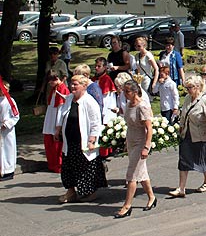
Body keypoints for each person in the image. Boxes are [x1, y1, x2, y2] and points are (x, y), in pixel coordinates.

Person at [55, 75, 107, 203]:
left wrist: (92, 139)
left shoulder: (89, 101)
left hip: (83, 141)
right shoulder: (69, 99)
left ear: (84, 86)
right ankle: (71, 191)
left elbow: (96, 122)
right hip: (70, 141)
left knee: (85, 167)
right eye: (71, 84)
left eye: (75, 84)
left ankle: (90, 192)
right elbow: (62, 114)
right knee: (68, 167)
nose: (72, 86)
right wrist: (57, 129)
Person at [169, 76, 206, 197]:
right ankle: (181, 188)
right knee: (183, 160)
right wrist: (180, 128)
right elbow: (183, 115)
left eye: (190, 87)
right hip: (187, 133)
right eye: (186, 88)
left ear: (197, 87)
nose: (188, 90)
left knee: (204, 159)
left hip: (201, 135)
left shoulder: (205, 100)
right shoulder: (187, 98)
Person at [114, 80, 157, 218]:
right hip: (131, 141)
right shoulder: (128, 105)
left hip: (140, 142)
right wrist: (127, 142)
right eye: (124, 91)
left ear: (134, 92)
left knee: (132, 174)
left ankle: (127, 205)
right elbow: (129, 124)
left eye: (127, 92)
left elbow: (149, 128)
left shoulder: (142, 106)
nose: (125, 94)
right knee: (141, 172)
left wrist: (146, 147)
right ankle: (151, 197)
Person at [43, 70, 70, 173]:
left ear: (57, 79)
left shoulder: (62, 89)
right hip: (50, 120)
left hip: (55, 123)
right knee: (50, 146)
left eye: (51, 81)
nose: (50, 83)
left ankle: (58, 165)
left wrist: (58, 128)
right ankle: (52, 164)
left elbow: (60, 110)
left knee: (56, 147)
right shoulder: (55, 89)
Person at [0, 78, 19, 181]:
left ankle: (9, 171)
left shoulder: (10, 101)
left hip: (7, 131)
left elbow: (16, 116)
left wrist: (7, 124)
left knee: (8, 150)